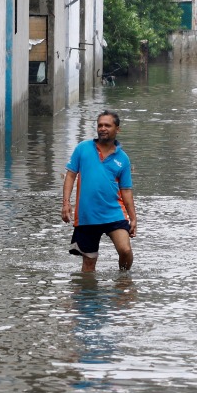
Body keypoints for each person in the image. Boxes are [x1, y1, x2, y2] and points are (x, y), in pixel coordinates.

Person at [61, 111, 137, 272]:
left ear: (117, 129)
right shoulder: (83, 148)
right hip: (87, 215)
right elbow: (70, 176)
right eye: (100, 125)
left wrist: (133, 218)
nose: (102, 128)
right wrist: (66, 203)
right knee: (88, 264)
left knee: (125, 250)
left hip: (114, 213)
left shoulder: (123, 158)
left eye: (107, 125)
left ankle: (123, 280)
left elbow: (126, 191)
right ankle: (87, 296)